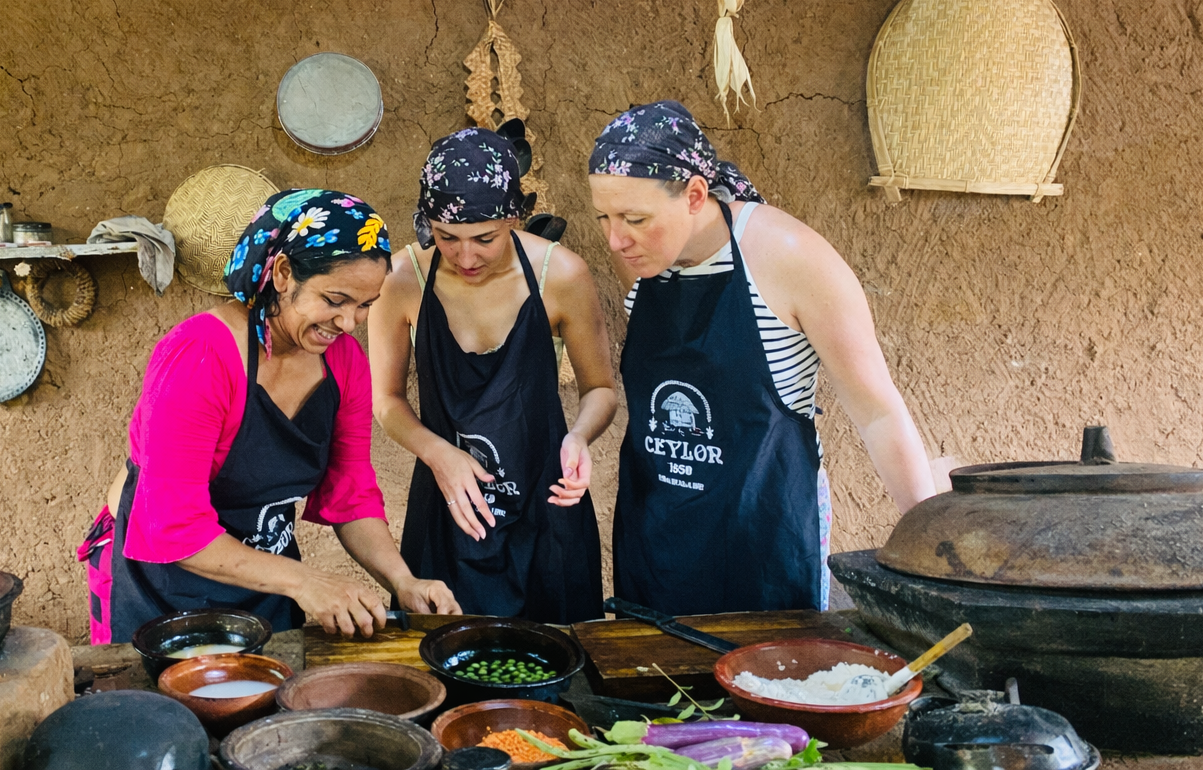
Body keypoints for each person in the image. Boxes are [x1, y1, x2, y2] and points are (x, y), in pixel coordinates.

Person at [588, 101, 935, 616]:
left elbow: (879, 412)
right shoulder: (638, 258)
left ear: (695, 196)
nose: (616, 240)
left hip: (766, 534)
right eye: (605, 218)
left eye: (635, 219)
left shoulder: (792, 257)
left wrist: (931, 551)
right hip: (657, 532)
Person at [84, 189, 459, 643]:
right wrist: (304, 581)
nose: (349, 323)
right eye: (335, 299)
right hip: (161, 584)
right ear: (283, 273)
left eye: (365, 305)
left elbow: (350, 493)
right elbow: (174, 525)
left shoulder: (343, 366)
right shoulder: (202, 358)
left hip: (266, 577)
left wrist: (403, 582)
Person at [371, 127, 617, 622]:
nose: (465, 257)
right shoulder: (401, 280)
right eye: (446, 238)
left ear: (514, 216)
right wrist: (439, 454)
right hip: (449, 507)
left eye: (485, 238)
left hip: (547, 509)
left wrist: (579, 437)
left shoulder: (561, 275)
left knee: (560, 669)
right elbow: (387, 402)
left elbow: (601, 389)